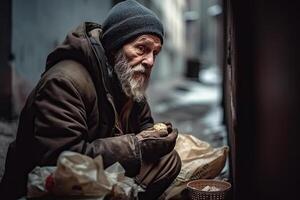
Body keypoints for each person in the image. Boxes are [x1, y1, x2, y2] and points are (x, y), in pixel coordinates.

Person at [0, 0, 181, 199]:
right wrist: (136, 145)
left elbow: (144, 127)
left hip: (99, 171)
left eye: (155, 52)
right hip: (45, 184)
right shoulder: (64, 82)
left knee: (168, 160)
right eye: (141, 48)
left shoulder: (127, 79)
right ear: (115, 47)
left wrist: (157, 139)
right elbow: (63, 159)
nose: (150, 61)